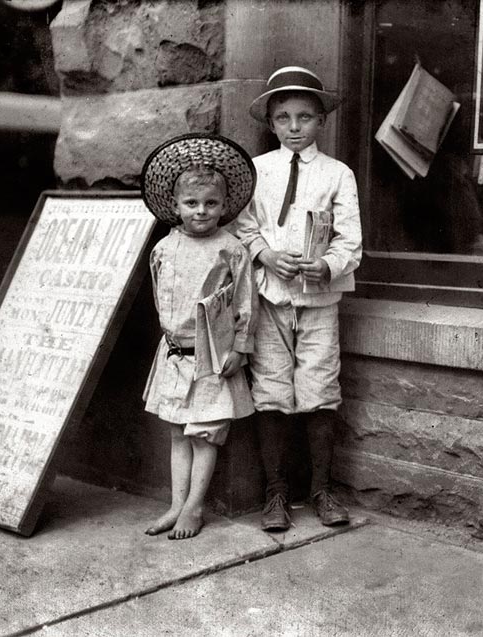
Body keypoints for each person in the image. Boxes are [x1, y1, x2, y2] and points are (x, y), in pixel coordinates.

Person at [235, 66, 362, 531]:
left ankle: (322, 491)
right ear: (271, 124)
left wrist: (326, 264)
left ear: (321, 121)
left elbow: (350, 239)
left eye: (304, 118)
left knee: (319, 391)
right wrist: (265, 254)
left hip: (319, 301)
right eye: (284, 118)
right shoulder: (255, 171)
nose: (294, 127)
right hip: (269, 298)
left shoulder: (337, 174)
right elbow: (243, 225)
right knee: (271, 391)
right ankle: (275, 494)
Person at [140, 133, 258, 540]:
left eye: (211, 203)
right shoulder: (164, 249)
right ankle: (175, 503)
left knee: (204, 434)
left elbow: (245, 304)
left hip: (212, 357)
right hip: (174, 355)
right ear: (175, 206)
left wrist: (240, 348)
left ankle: (195, 506)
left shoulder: (232, 250)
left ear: (224, 206)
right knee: (178, 432)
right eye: (191, 204)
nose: (201, 211)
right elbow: (162, 301)